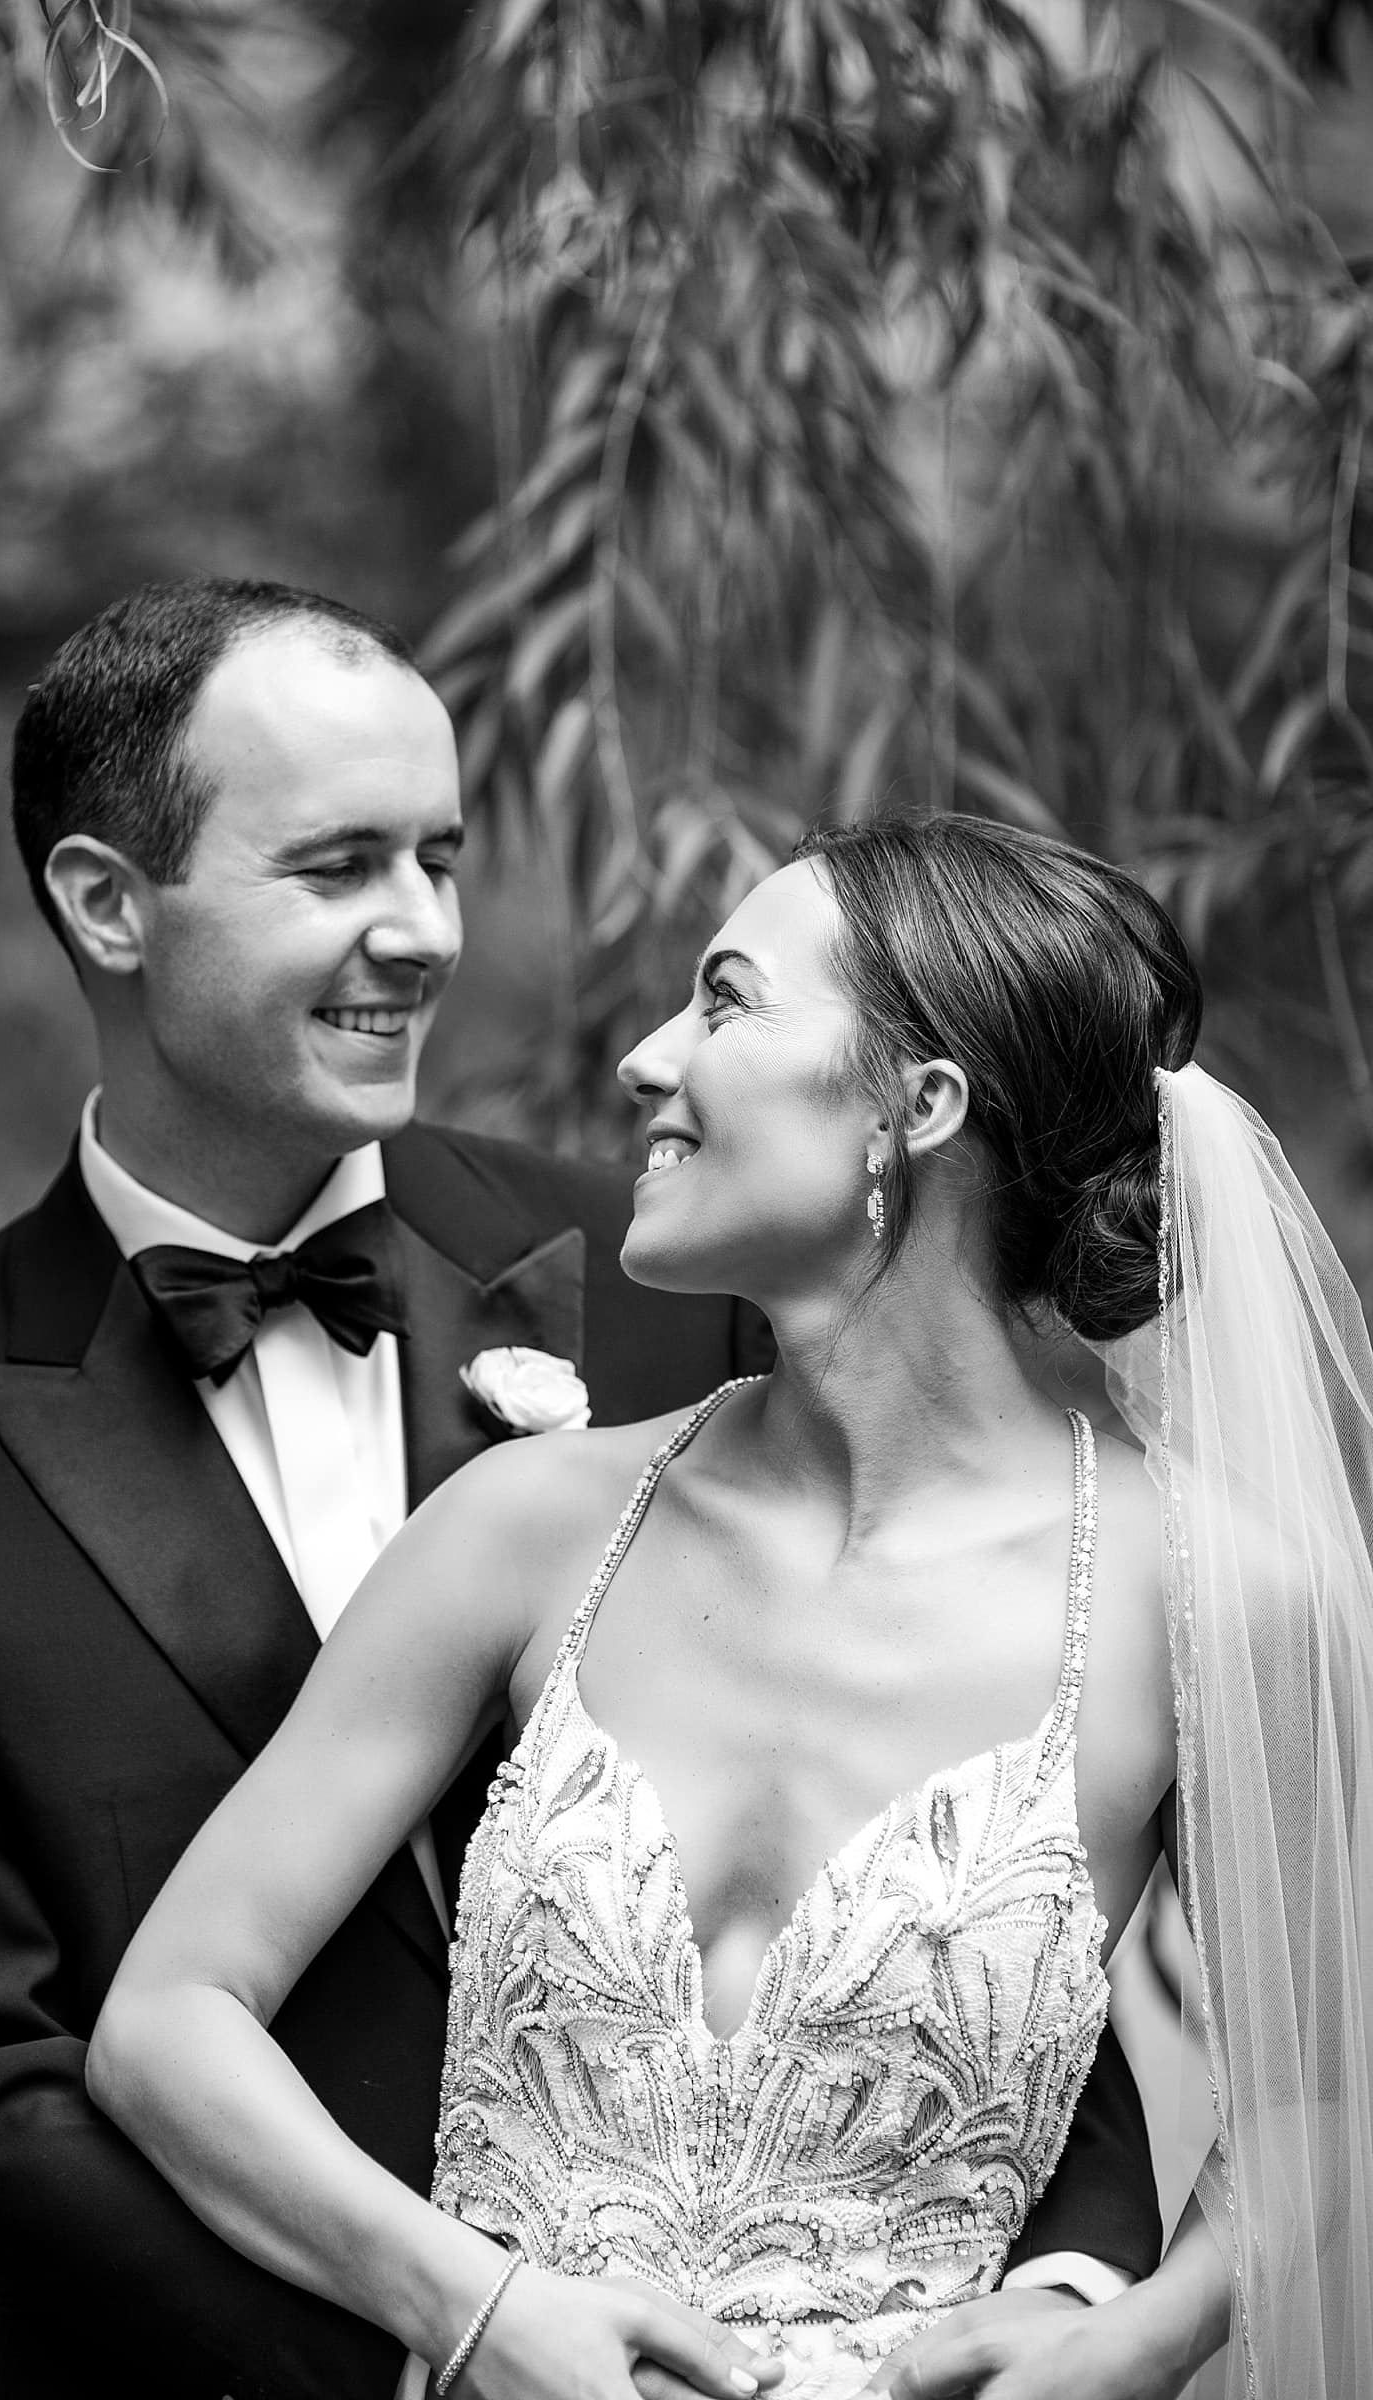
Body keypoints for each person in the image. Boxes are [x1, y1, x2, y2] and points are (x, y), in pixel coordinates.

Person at [0, 590, 1155, 2400]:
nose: (421, 932)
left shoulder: (684, 1273)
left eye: (440, 855)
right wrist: (450, 2337)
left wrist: (1070, 2283)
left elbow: (981, 1908)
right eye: (340, 866)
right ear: (111, 903)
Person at [87, 815, 1373, 2400]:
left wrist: (1139, 2334)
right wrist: (474, 2310)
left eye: (726, 1000)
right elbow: (167, 2019)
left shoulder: (1225, 1594)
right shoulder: (525, 1526)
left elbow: (1329, 2092)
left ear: (920, 1103)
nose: (643, 1057)